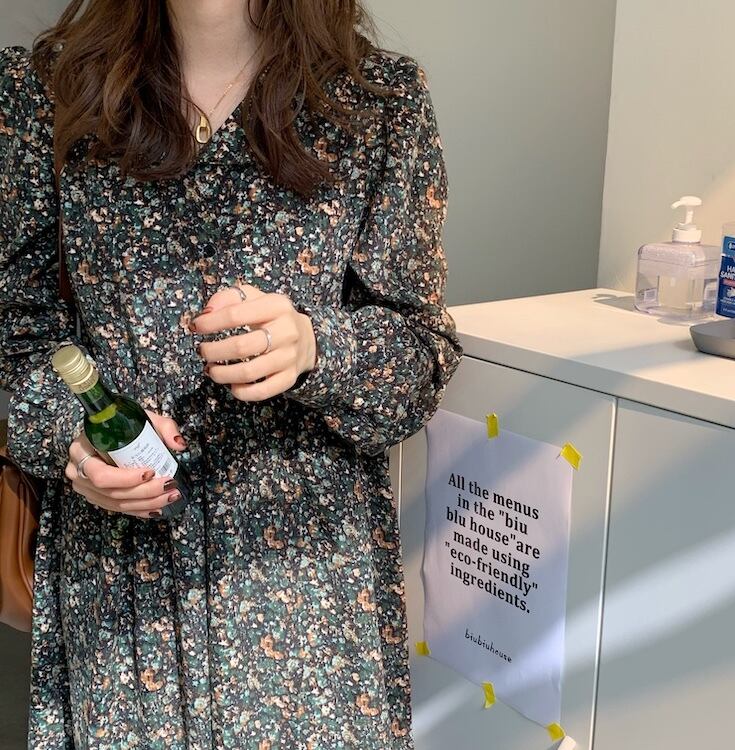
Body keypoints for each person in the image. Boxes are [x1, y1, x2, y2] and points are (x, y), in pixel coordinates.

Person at [0, 0, 463, 746]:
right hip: (122, 592)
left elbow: (420, 355)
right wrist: (75, 440)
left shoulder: (375, 103)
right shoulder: (45, 93)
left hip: (306, 591)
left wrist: (314, 348)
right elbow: (21, 335)